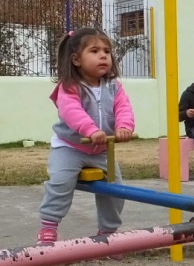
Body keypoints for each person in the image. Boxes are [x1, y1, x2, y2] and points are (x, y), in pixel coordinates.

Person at [37, 27, 135, 249]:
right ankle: (48, 226)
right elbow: (70, 111)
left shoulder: (113, 87)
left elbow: (124, 108)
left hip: (101, 150)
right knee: (60, 182)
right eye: (94, 51)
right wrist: (90, 130)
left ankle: (108, 233)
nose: (103, 55)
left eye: (107, 51)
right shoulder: (70, 86)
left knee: (116, 191)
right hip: (69, 147)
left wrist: (124, 127)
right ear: (76, 59)